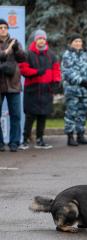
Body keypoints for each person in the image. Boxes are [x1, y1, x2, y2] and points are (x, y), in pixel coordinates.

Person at [19, 29, 61, 150]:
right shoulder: (28, 54)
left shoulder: (52, 55)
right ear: (35, 40)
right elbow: (23, 70)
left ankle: (40, 139)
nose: (41, 41)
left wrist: (56, 81)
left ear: (45, 40)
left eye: (43, 38)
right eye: (39, 39)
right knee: (30, 116)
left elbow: (56, 69)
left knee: (43, 116)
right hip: (32, 89)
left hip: (46, 90)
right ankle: (25, 139)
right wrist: (36, 72)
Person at [61, 34, 87, 146]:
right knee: (71, 113)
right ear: (71, 43)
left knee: (82, 113)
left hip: (84, 90)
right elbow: (67, 72)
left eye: (79, 41)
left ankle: (80, 135)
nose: (78, 43)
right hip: (72, 89)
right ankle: (70, 137)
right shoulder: (67, 55)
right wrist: (81, 81)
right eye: (75, 41)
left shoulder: (85, 55)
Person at [0, 18, 25, 152]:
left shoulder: (15, 42)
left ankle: (14, 142)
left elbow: (22, 58)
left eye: (5, 27)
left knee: (16, 115)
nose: (3, 29)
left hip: (13, 84)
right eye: (0, 27)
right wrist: (8, 50)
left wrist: (16, 50)